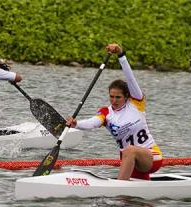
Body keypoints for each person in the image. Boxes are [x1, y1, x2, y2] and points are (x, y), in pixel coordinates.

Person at [67, 44, 163, 180]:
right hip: (130, 160)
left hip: (151, 157)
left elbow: (130, 78)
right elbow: (93, 123)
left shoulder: (136, 102)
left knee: (129, 149)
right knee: (133, 198)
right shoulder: (107, 113)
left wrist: (121, 55)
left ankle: (118, 189)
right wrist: (76, 124)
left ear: (127, 96)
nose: (114, 100)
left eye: (118, 97)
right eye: (111, 96)